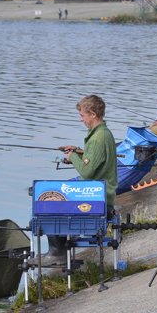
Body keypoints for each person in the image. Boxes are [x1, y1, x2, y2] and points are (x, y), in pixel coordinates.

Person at [49, 95, 118, 263]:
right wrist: (79, 151)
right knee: (55, 196)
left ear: (93, 114)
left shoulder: (97, 139)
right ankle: (59, 250)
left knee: (51, 204)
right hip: (99, 192)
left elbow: (87, 173)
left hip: (97, 198)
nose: (81, 119)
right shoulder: (103, 133)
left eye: (82, 115)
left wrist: (73, 157)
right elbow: (96, 160)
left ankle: (58, 254)